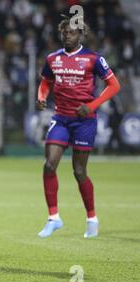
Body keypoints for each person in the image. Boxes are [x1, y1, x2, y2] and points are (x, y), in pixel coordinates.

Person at [36, 16, 120, 238]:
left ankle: (92, 218)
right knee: (49, 165)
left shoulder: (93, 59)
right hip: (61, 118)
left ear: (80, 35)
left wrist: (91, 106)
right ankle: (53, 218)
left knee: (79, 171)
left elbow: (114, 85)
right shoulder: (53, 59)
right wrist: (41, 96)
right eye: (64, 33)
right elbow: (45, 82)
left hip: (84, 121)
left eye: (71, 33)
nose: (67, 36)